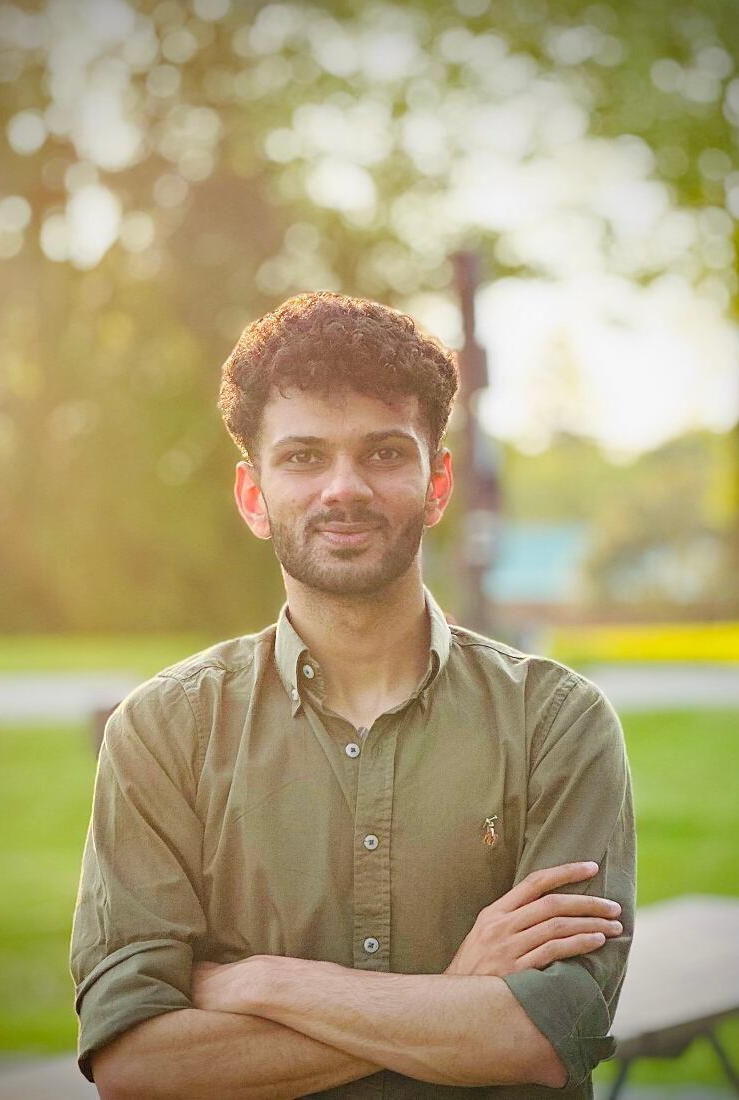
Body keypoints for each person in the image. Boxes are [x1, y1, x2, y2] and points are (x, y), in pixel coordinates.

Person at [70, 291, 635, 1100]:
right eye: (303, 457)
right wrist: (455, 990)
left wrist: (267, 983)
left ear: (437, 484)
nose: (344, 488)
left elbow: (547, 1036)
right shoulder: (163, 730)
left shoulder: (558, 722)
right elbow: (137, 1062)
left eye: (382, 453)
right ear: (253, 496)